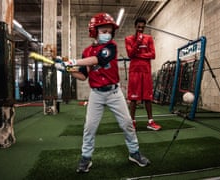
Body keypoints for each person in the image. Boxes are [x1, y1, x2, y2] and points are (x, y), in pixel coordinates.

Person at [55, 13, 150, 173]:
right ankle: (86, 158)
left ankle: (134, 153)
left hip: (114, 92)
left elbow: (97, 60)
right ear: (94, 31)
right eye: (103, 30)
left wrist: (72, 62)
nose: (107, 34)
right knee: (89, 127)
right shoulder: (86, 52)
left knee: (127, 123)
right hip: (96, 94)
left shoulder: (111, 46)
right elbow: (83, 76)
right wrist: (67, 69)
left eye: (109, 31)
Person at [125, 17, 161, 131]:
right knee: (133, 98)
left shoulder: (149, 38)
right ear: (135, 26)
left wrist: (139, 55)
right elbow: (130, 54)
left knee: (147, 97)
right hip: (134, 71)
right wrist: (138, 42)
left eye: (142, 27)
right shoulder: (129, 39)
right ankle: (132, 122)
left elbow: (153, 55)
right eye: (139, 27)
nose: (140, 29)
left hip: (146, 71)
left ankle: (150, 122)